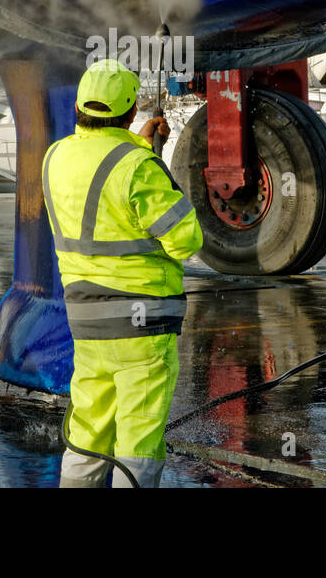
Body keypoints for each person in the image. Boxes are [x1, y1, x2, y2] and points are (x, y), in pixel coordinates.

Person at [46, 58, 203, 488]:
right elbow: (186, 240)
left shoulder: (54, 158)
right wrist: (154, 164)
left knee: (88, 435)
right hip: (143, 329)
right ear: (132, 112)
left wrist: (139, 148)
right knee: (138, 441)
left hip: (87, 326)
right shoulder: (138, 168)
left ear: (80, 108)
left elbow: (99, 178)